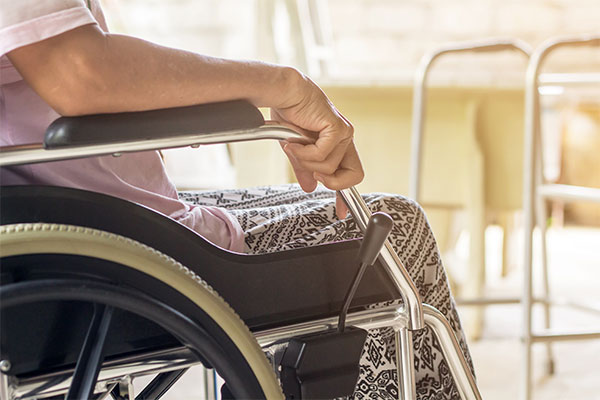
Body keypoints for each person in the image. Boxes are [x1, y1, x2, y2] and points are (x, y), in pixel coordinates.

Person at [0, 1, 473, 398]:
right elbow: (80, 73)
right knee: (396, 231)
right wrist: (285, 86)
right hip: (94, 242)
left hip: (57, 223)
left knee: (366, 213)